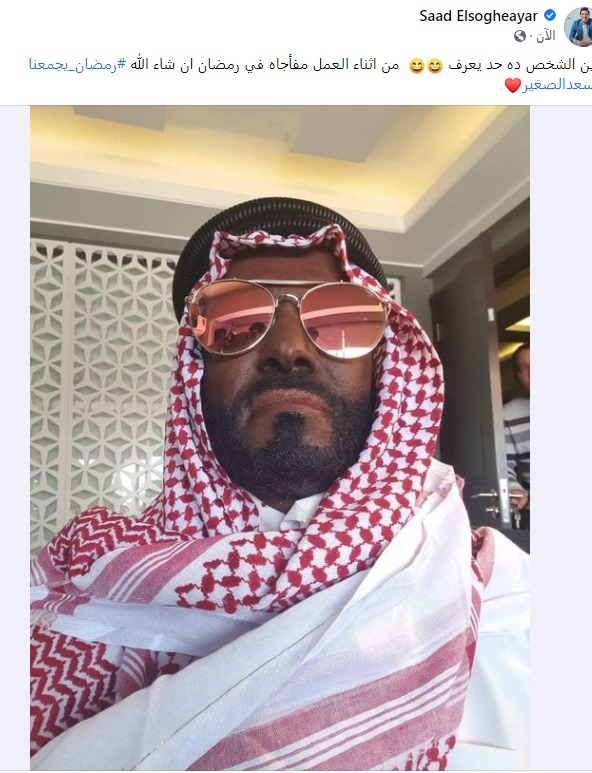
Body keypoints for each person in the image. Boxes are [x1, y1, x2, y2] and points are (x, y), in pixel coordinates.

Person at [30, 197, 529, 770]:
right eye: (234, 322)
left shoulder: (512, 606)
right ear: (196, 371)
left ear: (383, 365)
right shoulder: (79, 592)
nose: (289, 348)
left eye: (339, 320)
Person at [503, 344, 530, 526]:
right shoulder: (510, 413)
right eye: (524, 368)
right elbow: (503, 465)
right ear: (518, 376)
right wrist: (513, 487)